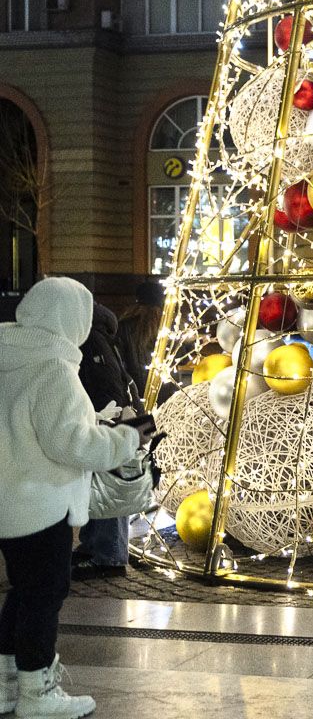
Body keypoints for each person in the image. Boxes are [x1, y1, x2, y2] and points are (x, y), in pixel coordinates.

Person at [0, 277, 148, 717]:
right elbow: (72, 445)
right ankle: (38, 691)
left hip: (11, 498)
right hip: (42, 502)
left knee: (23, 592)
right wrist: (127, 439)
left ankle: (8, 682)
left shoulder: (10, 355)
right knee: (44, 593)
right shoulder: (51, 368)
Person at [72, 300, 145, 581]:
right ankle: (95, 546)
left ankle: (109, 557)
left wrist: (100, 418)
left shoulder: (90, 339)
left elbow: (104, 385)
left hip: (109, 421)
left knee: (108, 484)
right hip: (115, 420)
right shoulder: (99, 335)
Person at [115, 280, 164, 398]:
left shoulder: (124, 326)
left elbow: (118, 360)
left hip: (134, 391)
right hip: (166, 390)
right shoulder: (168, 326)